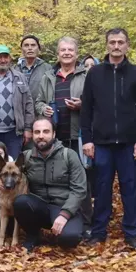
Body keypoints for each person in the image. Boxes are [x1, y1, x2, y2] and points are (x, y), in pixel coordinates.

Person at [80, 28, 136, 250]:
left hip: (129, 143)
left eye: (121, 42)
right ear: (107, 45)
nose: (116, 46)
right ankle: (99, 231)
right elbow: (87, 109)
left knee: (131, 188)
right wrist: (88, 140)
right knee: (101, 189)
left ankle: (132, 233)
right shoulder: (95, 73)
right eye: (112, 42)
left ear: (127, 45)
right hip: (102, 143)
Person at [35, 37, 92, 236]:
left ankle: (85, 224)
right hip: (55, 138)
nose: (66, 53)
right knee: (54, 178)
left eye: (70, 50)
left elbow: (94, 103)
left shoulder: (86, 76)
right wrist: (44, 109)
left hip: (79, 136)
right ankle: (53, 217)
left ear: (76, 53)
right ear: (57, 54)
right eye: (63, 50)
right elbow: (38, 102)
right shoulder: (48, 77)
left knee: (81, 180)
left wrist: (81, 104)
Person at [14, 118, 87, 251]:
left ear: (54, 134)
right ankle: (33, 235)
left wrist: (65, 214)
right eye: (37, 132)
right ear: (33, 135)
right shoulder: (26, 157)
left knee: (69, 240)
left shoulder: (69, 155)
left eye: (46, 131)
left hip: (64, 206)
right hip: (39, 206)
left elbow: (79, 189)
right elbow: (10, 173)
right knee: (20, 202)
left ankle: (63, 230)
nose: (41, 136)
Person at [0, 45, 34, 160]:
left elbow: (28, 104)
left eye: (5, 57)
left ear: (10, 58)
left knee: (12, 167)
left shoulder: (20, 78)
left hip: (13, 133)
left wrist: (28, 129)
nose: (3, 60)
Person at [16, 35, 53, 103]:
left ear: (38, 49)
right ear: (22, 49)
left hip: (40, 111)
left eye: (33, 45)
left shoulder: (48, 69)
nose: (30, 48)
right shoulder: (14, 70)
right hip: (19, 111)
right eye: (26, 45)